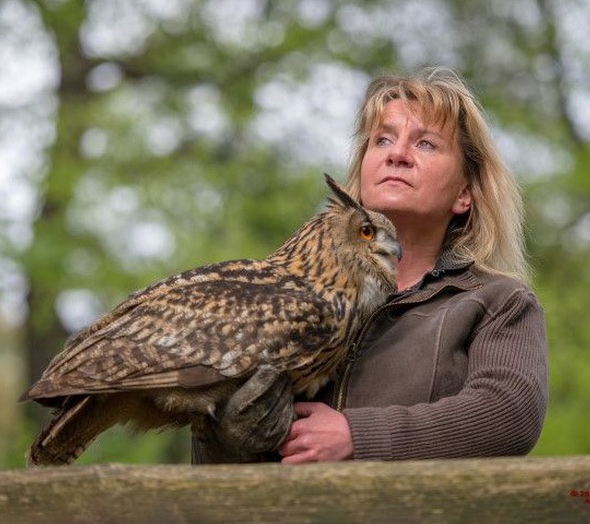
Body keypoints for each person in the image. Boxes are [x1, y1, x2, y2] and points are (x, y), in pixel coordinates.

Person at [191, 67, 549, 464]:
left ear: (464, 194)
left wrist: (358, 436)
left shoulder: (497, 302)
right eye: (382, 140)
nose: (397, 154)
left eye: (426, 144)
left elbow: (509, 412)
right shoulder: (296, 297)